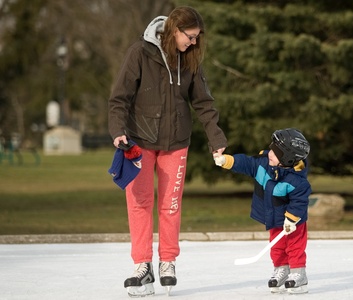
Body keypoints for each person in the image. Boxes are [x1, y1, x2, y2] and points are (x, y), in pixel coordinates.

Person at [108, 6, 227, 297]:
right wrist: (118, 130)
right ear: (174, 30)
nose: (194, 42)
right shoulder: (139, 52)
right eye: (190, 36)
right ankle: (142, 265)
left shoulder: (189, 60)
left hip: (176, 142)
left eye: (198, 37)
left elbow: (203, 102)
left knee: (170, 205)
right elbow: (119, 97)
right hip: (138, 142)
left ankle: (168, 262)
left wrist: (216, 137)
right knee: (140, 203)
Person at [214, 128, 311, 294]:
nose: (270, 153)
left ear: (286, 159)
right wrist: (227, 161)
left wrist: (292, 218)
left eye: (275, 152)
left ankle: (298, 274)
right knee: (277, 246)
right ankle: (281, 270)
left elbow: (299, 201)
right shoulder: (263, 164)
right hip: (273, 217)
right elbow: (246, 163)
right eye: (271, 148)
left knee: (295, 246)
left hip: (293, 222)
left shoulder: (297, 180)